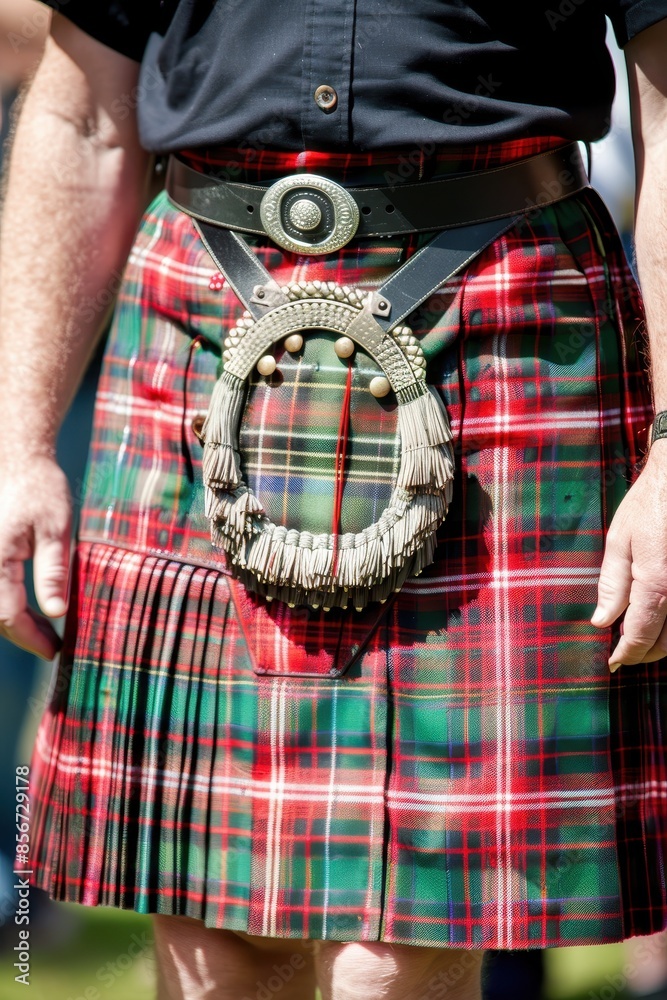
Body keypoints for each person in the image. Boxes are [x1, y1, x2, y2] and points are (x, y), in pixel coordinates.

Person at [1, 3, 667, 998]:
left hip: (496, 320)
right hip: (203, 318)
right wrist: (17, 443)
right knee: (215, 932)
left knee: (396, 954)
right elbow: (81, 111)